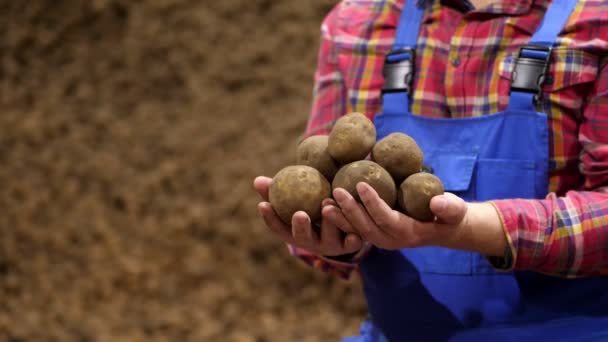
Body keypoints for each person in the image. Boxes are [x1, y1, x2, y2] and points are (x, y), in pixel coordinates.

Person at [254, 0, 608, 340]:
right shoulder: (354, 25)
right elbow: (324, 173)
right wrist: (338, 238)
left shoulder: (596, 22)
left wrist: (469, 227)